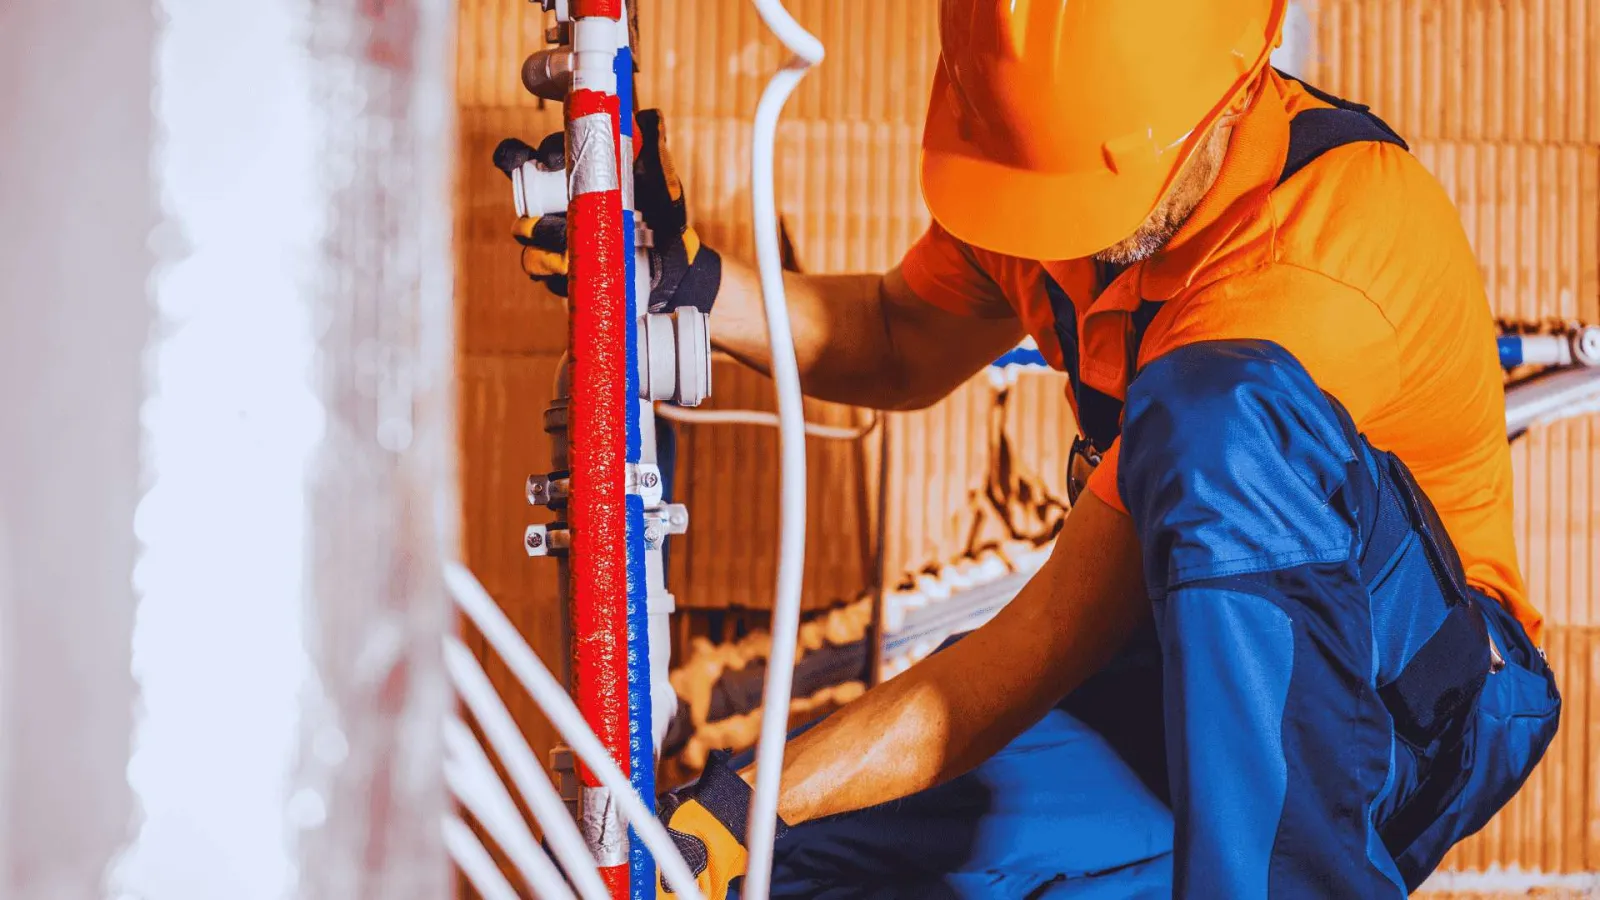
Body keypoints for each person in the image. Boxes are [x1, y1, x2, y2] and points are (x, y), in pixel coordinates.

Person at [498, 1, 1561, 896]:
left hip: (1416, 705)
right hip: (1173, 682)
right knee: (807, 869)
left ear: (1234, 93)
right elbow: (900, 337)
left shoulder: (1316, 261)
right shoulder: (1044, 173)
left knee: (1217, 416)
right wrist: (694, 284)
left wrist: (735, 796)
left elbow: (1037, 643)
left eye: (1091, 202)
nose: (1066, 238)